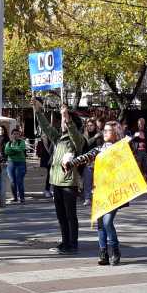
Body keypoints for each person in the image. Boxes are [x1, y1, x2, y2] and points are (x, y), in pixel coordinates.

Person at [68, 121, 127, 265]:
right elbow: (86, 156)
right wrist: (71, 163)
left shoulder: (122, 149)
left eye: (109, 130)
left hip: (114, 191)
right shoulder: (100, 149)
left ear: (116, 133)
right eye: (104, 130)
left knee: (107, 222)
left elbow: (131, 166)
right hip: (100, 190)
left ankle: (115, 250)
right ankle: (103, 253)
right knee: (101, 223)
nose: (105, 132)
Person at [33, 99, 85, 255]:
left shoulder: (77, 140)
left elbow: (74, 133)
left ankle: (73, 244)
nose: (61, 122)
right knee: (61, 216)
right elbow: (46, 128)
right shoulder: (59, 138)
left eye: (64, 120)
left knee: (70, 215)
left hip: (69, 182)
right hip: (56, 182)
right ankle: (65, 241)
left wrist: (67, 118)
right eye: (62, 120)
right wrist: (38, 111)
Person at [4, 128, 28, 203]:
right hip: (11, 163)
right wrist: (14, 150)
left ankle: (22, 197)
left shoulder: (22, 142)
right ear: (11, 135)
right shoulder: (8, 143)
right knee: (12, 181)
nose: (15, 135)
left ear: (19, 135)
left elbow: (21, 149)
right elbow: (7, 151)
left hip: (20, 163)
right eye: (14, 134)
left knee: (19, 181)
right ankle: (15, 197)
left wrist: (12, 150)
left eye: (17, 134)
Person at [81, 119, 101, 205]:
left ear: (94, 126)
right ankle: (87, 198)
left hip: (98, 161)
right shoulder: (84, 136)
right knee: (87, 181)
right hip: (88, 162)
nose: (89, 127)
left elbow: (102, 146)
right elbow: (86, 145)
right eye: (88, 125)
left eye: (91, 125)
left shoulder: (100, 135)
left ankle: (98, 198)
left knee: (98, 182)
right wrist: (95, 137)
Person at [0, 125, 10, 206]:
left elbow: (8, 151)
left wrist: (6, 159)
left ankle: (2, 199)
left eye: (2, 129)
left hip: (4, 161)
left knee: (2, 181)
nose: (1, 131)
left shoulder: (7, 139)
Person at [132, 118, 147, 182]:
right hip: (138, 151)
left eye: (142, 123)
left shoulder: (146, 131)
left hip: (145, 151)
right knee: (138, 166)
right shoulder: (134, 131)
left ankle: (145, 180)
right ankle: (138, 181)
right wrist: (134, 136)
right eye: (139, 124)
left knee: (145, 166)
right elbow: (130, 140)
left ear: (144, 124)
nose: (140, 125)